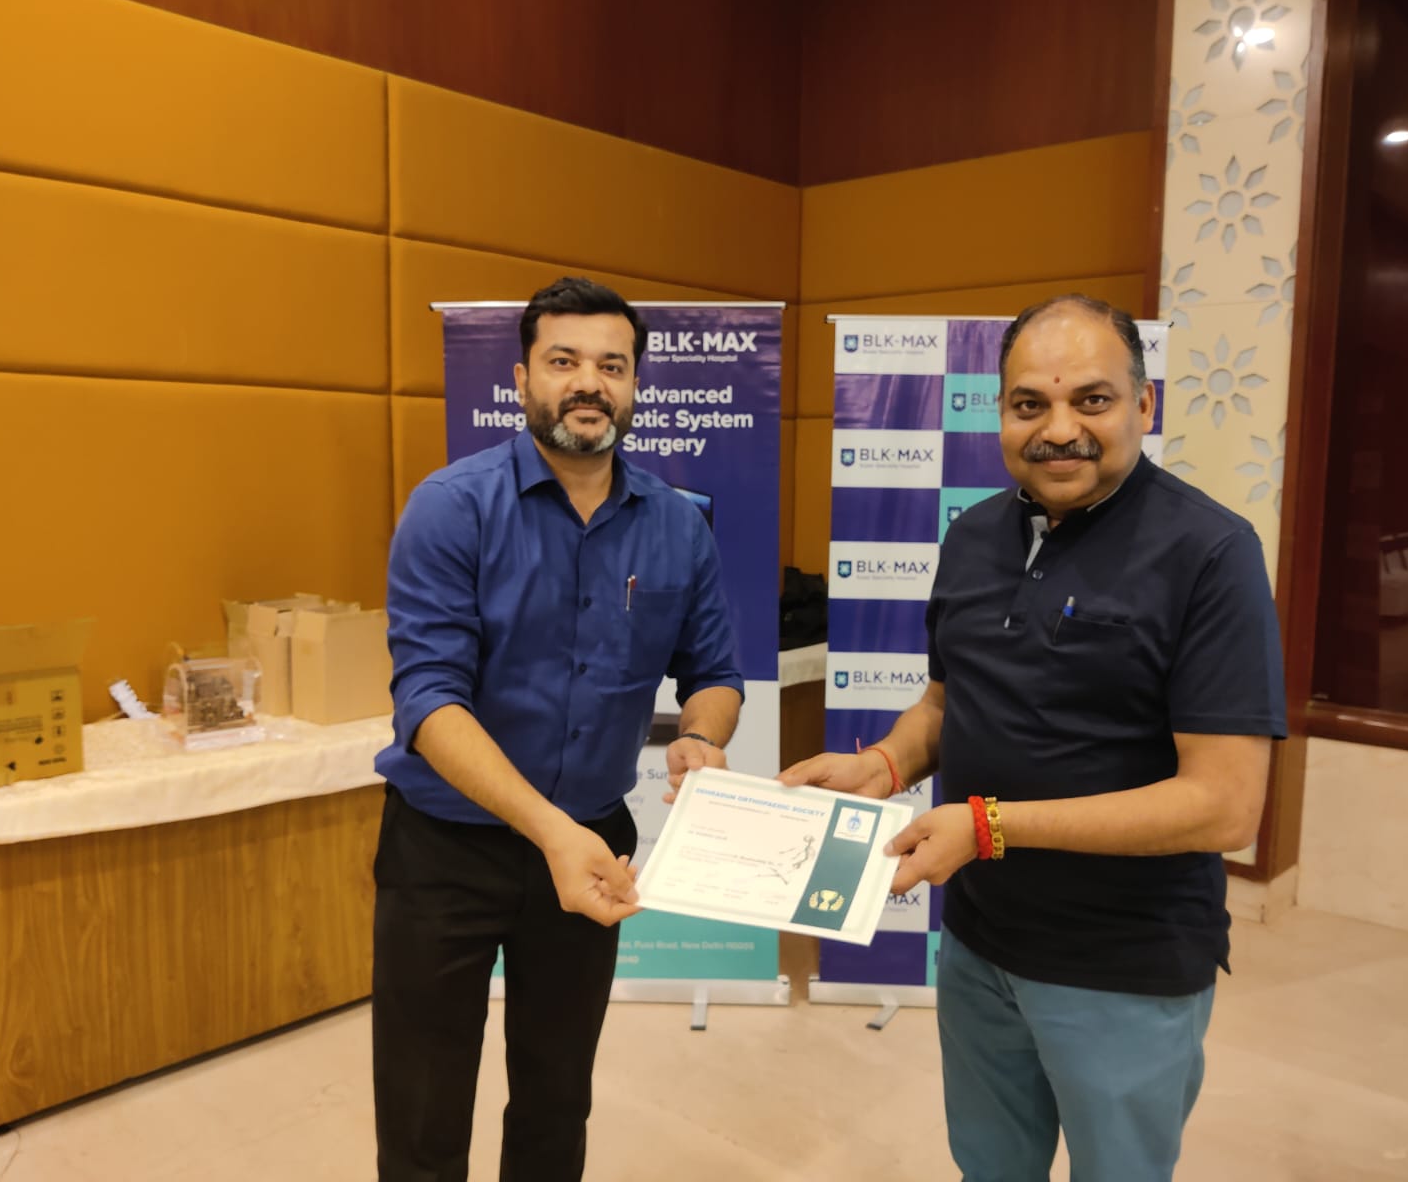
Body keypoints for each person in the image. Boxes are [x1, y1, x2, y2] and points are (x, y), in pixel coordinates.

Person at [776, 295, 1286, 1181]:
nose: (1058, 430)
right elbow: (946, 704)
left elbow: (1225, 806)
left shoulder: (1210, 552)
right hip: (979, 945)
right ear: (1001, 413)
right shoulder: (973, 535)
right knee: (990, 1168)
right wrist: (884, 764)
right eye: (1029, 405)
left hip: (1122, 964)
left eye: (1092, 400)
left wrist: (987, 827)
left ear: (1143, 406)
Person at [373, 276, 744, 1181]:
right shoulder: (451, 507)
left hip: (593, 841)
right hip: (447, 850)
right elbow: (428, 700)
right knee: (423, 1109)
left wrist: (702, 735)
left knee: (556, 1097)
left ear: (635, 384)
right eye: (564, 361)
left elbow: (715, 675)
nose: (589, 383)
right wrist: (549, 831)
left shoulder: (677, 526)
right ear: (522, 379)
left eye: (612, 366)